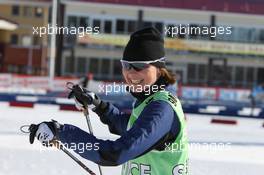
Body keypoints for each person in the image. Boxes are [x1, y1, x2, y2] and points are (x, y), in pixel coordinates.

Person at [29, 27, 189, 175]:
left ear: (159, 70)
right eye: (127, 65)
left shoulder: (161, 108)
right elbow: (131, 127)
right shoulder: (150, 99)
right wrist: (97, 105)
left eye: (140, 65)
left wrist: (62, 133)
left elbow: (116, 153)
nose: (131, 73)